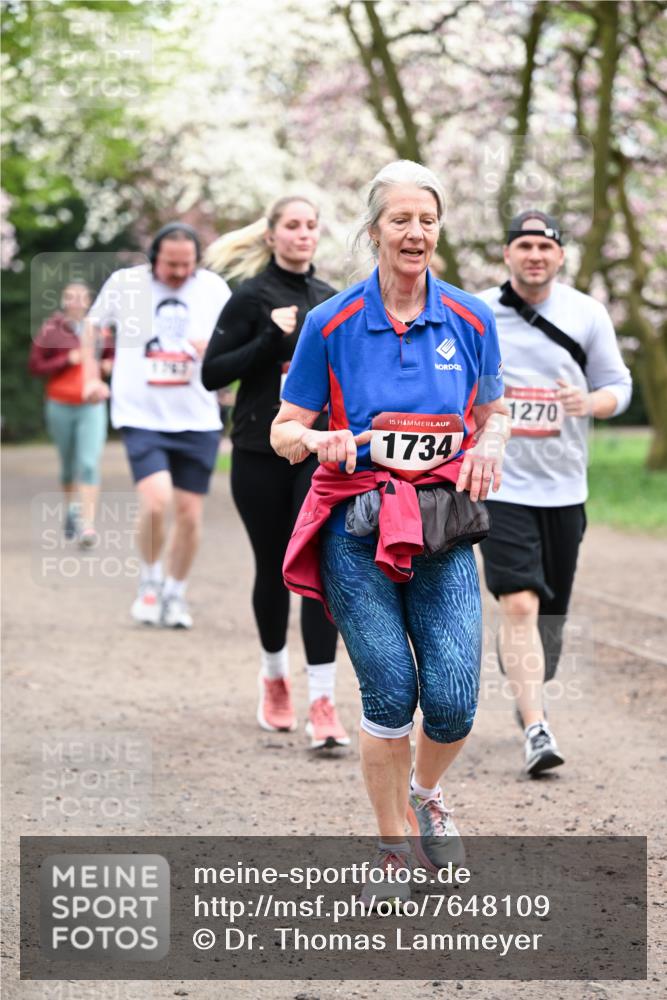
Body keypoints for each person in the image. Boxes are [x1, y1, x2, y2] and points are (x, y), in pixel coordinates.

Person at [271, 161, 508, 902]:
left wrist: (493, 443)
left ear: (438, 230)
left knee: (454, 697)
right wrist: (320, 442)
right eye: (399, 219)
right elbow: (283, 430)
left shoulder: (470, 318)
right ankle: (393, 847)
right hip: (357, 525)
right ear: (374, 230)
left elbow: (490, 412)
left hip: (442, 525)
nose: (414, 232)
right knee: (389, 692)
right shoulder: (331, 323)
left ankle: (426, 793)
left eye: (426, 220)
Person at [477, 210, 632, 777]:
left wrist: (590, 404)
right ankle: (538, 728)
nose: (535, 254)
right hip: (500, 482)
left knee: (550, 618)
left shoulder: (586, 313)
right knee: (519, 601)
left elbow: (619, 384)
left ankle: (530, 689)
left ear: (559, 256)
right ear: (507, 255)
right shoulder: (477, 312)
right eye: (523, 245)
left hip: (565, 486)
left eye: (545, 246)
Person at [201, 197, 349, 750]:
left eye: (312, 225)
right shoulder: (249, 298)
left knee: (320, 568)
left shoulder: (330, 300)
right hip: (259, 452)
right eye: (293, 225)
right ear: (271, 236)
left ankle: (323, 699)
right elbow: (211, 373)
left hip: (316, 455)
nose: (304, 234)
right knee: (272, 567)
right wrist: (266, 337)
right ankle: (274, 679)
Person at [85, 223, 231, 628]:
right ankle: (149, 581)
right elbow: (93, 325)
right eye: (171, 264)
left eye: (187, 264)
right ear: (154, 259)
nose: (180, 273)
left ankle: (174, 593)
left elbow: (235, 338)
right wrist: (90, 377)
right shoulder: (126, 284)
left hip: (197, 417)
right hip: (141, 414)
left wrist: (214, 348)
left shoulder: (214, 289)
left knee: (189, 513)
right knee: (155, 500)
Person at [29, 282, 113, 546]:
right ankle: (70, 509)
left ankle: (87, 526)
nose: (76, 302)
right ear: (64, 301)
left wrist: (110, 365)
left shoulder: (101, 329)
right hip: (60, 404)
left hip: (91, 404)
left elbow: (114, 358)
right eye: (70, 297)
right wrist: (67, 360)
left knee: (89, 463)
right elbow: (35, 366)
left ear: (89, 301)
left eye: (81, 297)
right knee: (68, 466)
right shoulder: (51, 330)